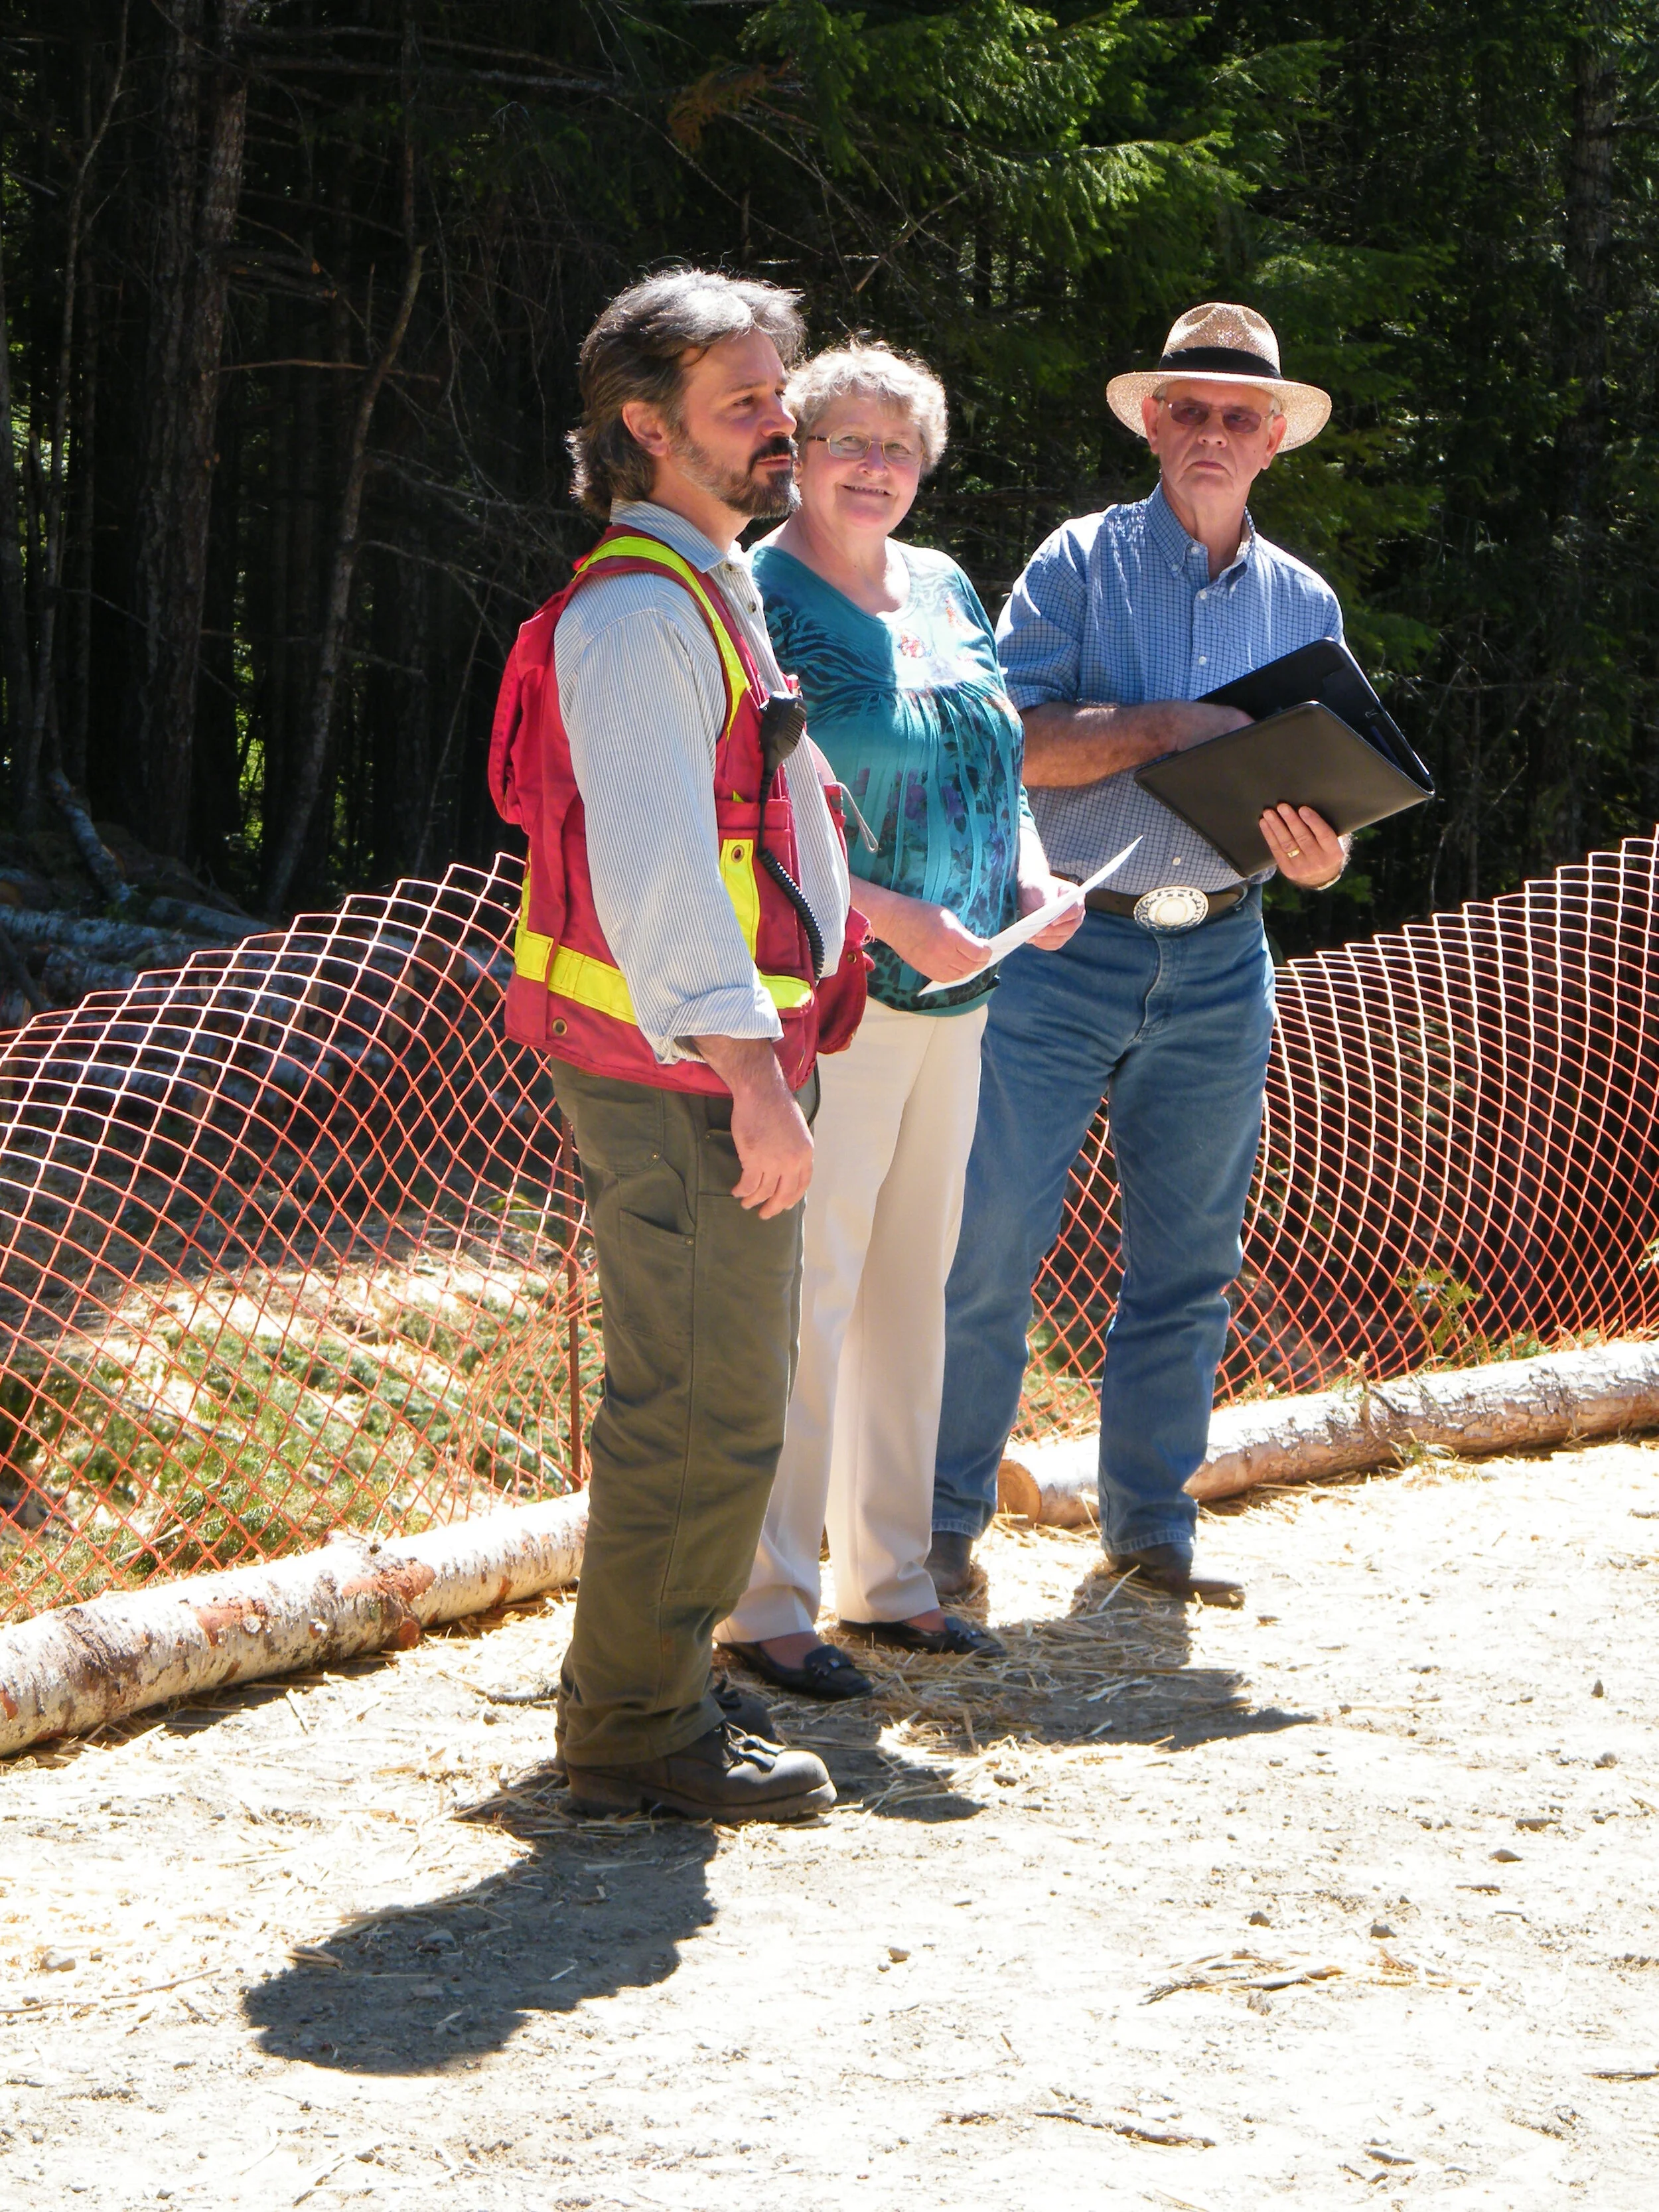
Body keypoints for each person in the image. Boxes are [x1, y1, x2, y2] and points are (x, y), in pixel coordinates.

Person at [488, 268, 856, 1820]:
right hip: (688, 1078)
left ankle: (636, 1700)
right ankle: (637, 1733)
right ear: (644, 427)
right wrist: (756, 1075)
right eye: (745, 404)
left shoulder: (708, 582)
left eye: (779, 395)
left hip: (703, 1069)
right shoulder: (642, 615)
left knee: (709, 1394)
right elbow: (654, 876)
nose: (783, 425)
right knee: (701, 1407)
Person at [928, 303, 1350, 1608]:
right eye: (1190, 408)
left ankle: (1150, 1531)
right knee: (988, 1241)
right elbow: (1003, 737)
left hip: (1225, 954)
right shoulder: (1075, 559)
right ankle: (935, 1531)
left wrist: (1317, 856)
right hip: (1061, 951)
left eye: (1238, 415)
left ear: (1270, 440)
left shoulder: (1302, 599)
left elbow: (1316, 801)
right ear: (1152, 421)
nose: (1212, 431)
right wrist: (1165, 724)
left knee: (1189, 1257)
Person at [716, 343, 1082, 1698]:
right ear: (795, 450)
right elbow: (749, 818)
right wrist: (877, 914)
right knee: (809, 1293)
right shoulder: (756, 596)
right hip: (835, 996)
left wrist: (1031, 873)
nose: (871, 467)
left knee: (906, 1289)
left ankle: (890, 1582)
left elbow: (993, 756)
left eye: (898, 448)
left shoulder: (941, 584)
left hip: (967, 990)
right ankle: (763, 1602)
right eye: (845, 441)